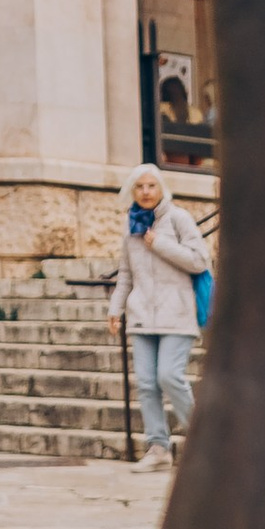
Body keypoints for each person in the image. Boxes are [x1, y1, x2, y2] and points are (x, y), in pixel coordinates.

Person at [105, 164, 211, 463]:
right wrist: (116, 309)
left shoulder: (178, 219)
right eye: (140, 187)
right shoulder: (132, 227)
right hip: (141, 316)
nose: (146, 192)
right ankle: (158, 447)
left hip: (177, 314)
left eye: (152, 185)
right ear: (132, 191)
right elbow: (126, 274)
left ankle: (199, 442)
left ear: (162, 188)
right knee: (148, 384)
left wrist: (159, 243)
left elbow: (199, 261)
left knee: (169, 376)